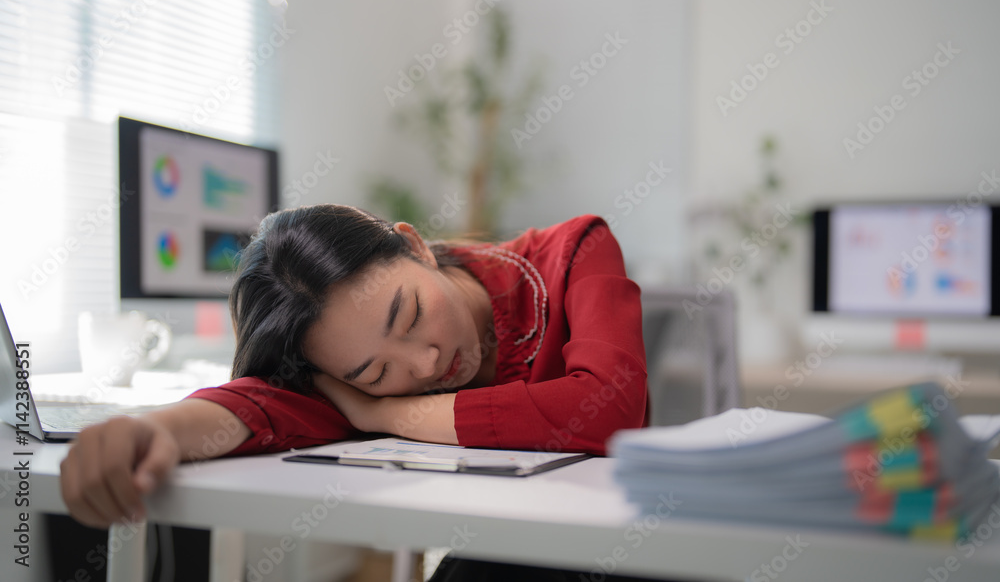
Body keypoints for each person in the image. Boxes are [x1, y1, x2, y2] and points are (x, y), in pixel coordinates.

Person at [59, 204, 648, 547]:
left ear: (414, 247)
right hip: (507, 545)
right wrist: (156, 430)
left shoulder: (575, 253)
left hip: (629, 543)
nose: (424, 366)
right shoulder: (345, 382)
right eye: (376, 371)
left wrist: (386, 414)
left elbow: (611, 407)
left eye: (412, 314)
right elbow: (265, 404)